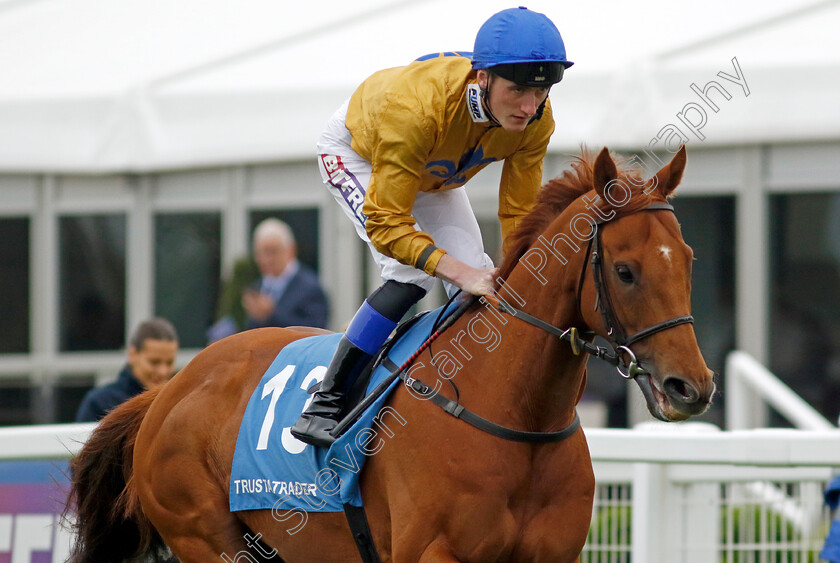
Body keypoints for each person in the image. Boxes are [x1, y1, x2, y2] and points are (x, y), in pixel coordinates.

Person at [291, 6, 572, 447]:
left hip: (430, 168)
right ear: (482, 78)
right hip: (360, 151)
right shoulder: (416, 110)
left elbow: (519, 216)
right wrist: (460, 272)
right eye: (517, 89)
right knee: (413, 272)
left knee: (481, 271)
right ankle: (326, 401)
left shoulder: (537, 119)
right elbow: (388, 225)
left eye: (540, 90)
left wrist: (518, 277)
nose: (527, 106)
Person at [206, 218, 330, 342]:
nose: (267, 259)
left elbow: (317, 332)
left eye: (273, 251)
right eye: (261, 253)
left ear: (291, 250)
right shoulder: (256, 286)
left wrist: (271, 315)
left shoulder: (310, 287)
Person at [75, 318, 178, 422]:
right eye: (154, 362)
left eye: (169, 363)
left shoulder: (178, 404)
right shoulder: (99, 403)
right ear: (132, 354)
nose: (162, 371)